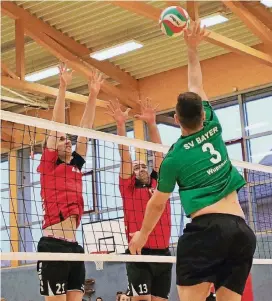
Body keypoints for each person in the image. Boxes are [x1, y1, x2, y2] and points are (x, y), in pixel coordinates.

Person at [129, 20, 256, 301]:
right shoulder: (213, 122)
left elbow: (157, 203)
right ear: (202, 113)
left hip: (206, 232)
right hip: (241, 231)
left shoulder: (174, 157)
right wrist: (192, 49)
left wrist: (142, 235)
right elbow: (196, 84)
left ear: (176, 120)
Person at [36, 63, 103, 301]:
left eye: (68, 139)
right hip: (52, 245)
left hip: (74, 246)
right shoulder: (48, 166)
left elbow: (86, 130)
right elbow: (55, 126)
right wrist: (62, 87)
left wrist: (93, 95)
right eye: (62, 139)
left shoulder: (75, 166)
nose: (67, 141)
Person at [106, 98, 172, 301]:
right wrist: (120, 125)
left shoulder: (159, 185)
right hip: (139, 253)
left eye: (144, 166)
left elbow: (159, 154)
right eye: (137, 167)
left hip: (163, 253)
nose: (141, 169)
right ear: (131, 173)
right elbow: (125, 155)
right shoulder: (128, 189)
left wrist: (152, 124)